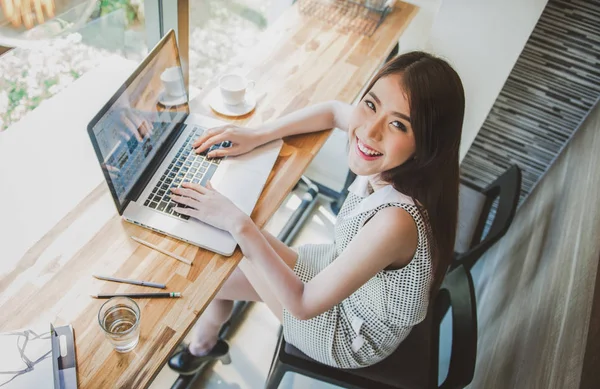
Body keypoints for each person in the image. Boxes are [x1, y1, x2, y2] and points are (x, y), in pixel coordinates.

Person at [167, 51, 465, 374]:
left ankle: (201, 346)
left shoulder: (397, 220)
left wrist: (237, 222)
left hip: (345, 333)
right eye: (370, 104)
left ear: (427, 144)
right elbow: (333, 111)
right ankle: (204, 345)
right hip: (336, 270)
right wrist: (257, 135)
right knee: (226, 255)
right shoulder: (390, 159)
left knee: (231, 238)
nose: (369, 131)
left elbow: (303, 304)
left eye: (398, 125)